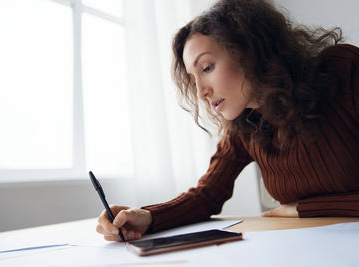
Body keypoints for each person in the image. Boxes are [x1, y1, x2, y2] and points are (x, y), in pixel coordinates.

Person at [96, 0, 359, 241]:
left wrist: (302, 209)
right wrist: (147, 216)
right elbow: (207, 196)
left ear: (248, 49)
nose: (201, 92)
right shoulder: (244, 126)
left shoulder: (344, 69)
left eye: (207, 68)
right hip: (308, 245)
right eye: (192, 78)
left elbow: (300, 210)